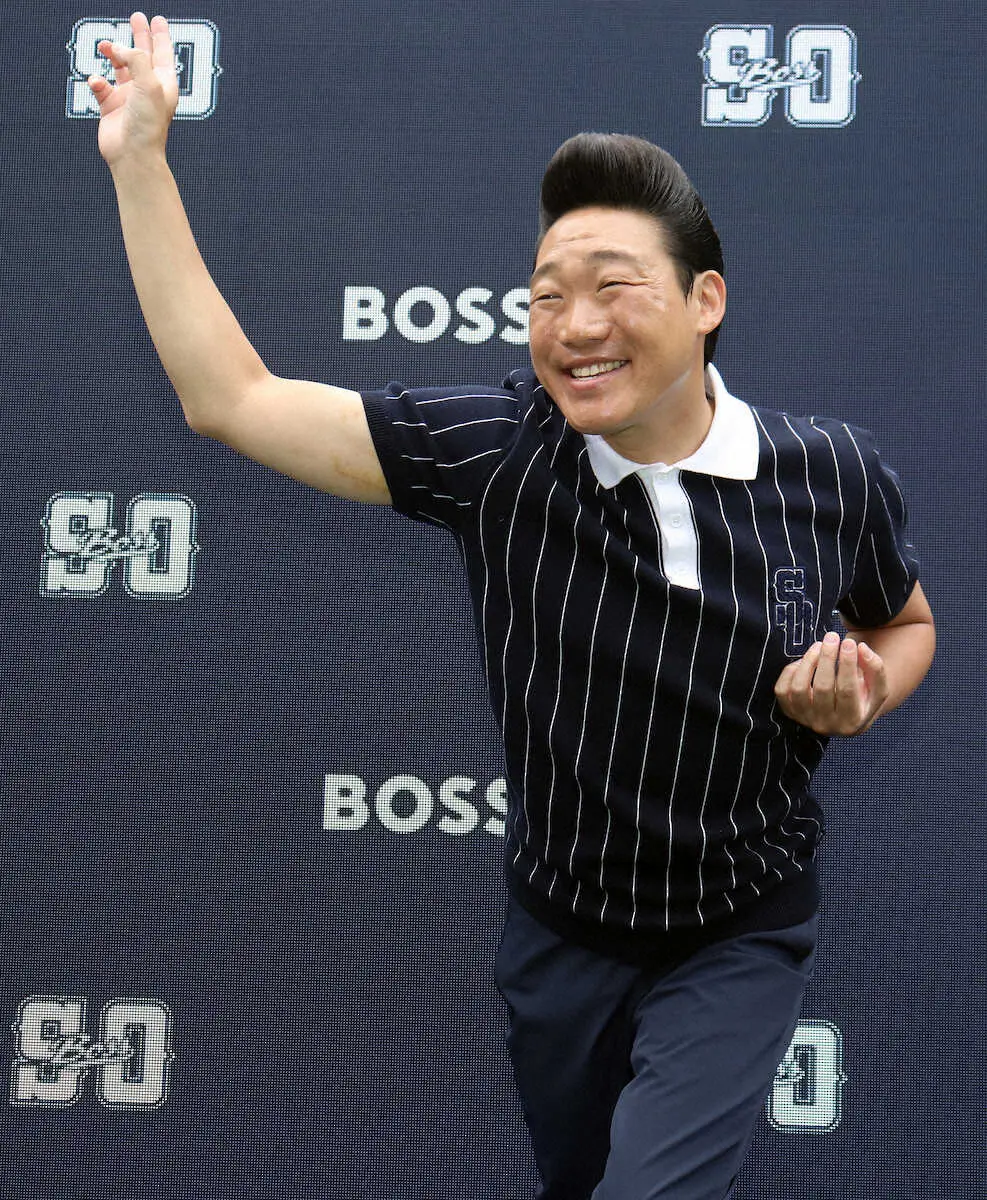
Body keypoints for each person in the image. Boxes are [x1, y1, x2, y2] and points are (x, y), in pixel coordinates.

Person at [88, 14, 935, 1199]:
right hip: (561, 936)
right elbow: (230, 398)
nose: (574, 326)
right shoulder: (499, 455)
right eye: (545, 296)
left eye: (612, 288)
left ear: (705, 299)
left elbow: (907, 624)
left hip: (739, 931)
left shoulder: (831, 470)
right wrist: (139, 161)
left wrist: (865, 695)